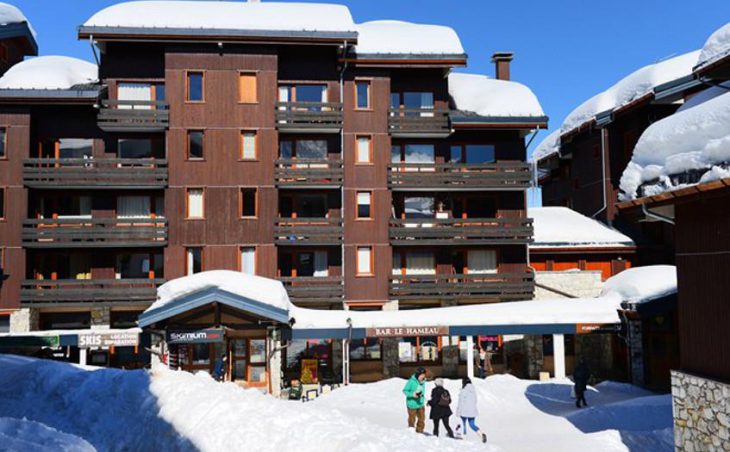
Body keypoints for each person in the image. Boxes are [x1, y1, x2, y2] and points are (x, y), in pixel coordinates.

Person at [456, 377, 487, 443]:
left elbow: (460, 402)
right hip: (472, 411)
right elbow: (475, 400)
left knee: (463, 424)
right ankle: (481, 434)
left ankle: (464, 439)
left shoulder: (463, 391)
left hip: (464, 411)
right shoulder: (473, 391)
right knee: (472, 424)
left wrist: (458, 412)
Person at [402, 367, 427, 433]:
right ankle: (411, 432)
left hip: (420, 403)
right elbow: (405, 391)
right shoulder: (411, 381)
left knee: (422, 418)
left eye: (424, 375)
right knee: (412, 419)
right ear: (418, 375)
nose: (423, 376)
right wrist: (412, 394)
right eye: (422, 375)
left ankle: (420, 431)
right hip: (412, 404)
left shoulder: (423, 381)